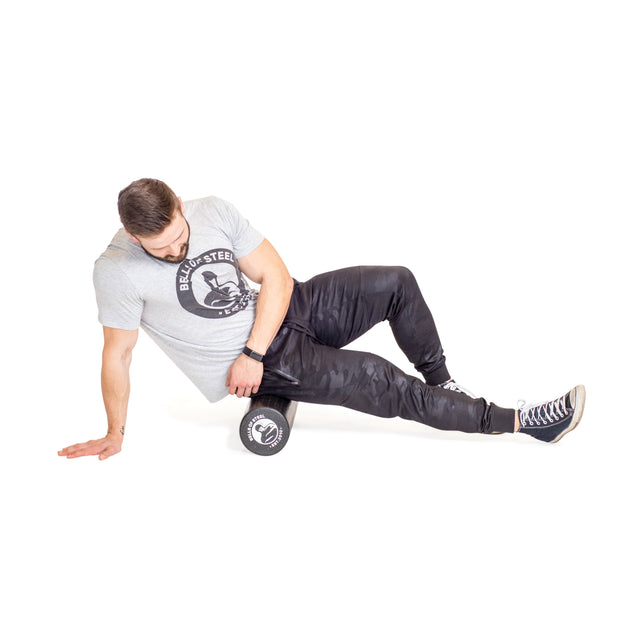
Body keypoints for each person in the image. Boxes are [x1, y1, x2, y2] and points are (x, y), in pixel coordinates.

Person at [58, 178, 586, 461]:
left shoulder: (211, 210)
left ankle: (445, 385)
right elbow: (118, 355)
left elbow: (278, 277)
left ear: (178, 202)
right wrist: (114, 432)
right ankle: (520, 423)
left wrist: (253, 349)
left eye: (180, 237)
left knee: (395, 281)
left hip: (279, 320)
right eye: (162, 250)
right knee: (381, 380)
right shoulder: (117, 272)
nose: (176, 250)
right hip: (267, 365)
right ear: (132, 237)